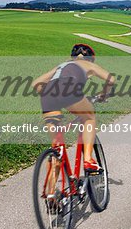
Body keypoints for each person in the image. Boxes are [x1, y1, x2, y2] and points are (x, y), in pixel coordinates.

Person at [32, 43, 115, 171]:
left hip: (47, 96)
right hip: (69, 90)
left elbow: (36, 83)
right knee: (89, 118)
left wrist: (53, 97)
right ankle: (88, 160)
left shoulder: (61, 65)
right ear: (90, 59)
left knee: (57, 147)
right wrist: (103, 95)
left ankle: (50, 190)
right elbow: (111, 80)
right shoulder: (89, 65)